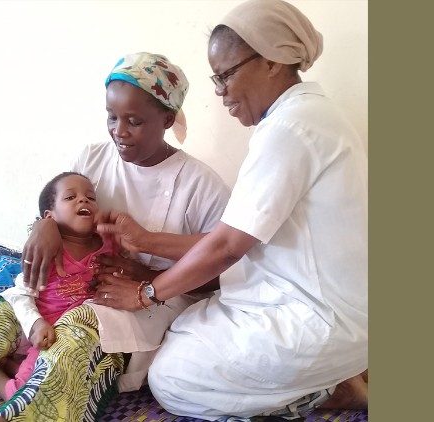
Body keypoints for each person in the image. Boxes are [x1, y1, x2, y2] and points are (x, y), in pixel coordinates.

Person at [93, 0, 368, 419]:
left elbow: (224, 246)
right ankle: (328, 377)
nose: (219, 92)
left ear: (273, 61)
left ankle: (324, 390)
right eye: (112, 118)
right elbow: (229, 238)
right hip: (277, 294)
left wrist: (146, 291)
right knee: (181, 331)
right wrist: (145, 241)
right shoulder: (299, 117)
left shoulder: (287, 129)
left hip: (313, 313)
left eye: (226, 75)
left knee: (171, 380)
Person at [0, 52, 230, 421]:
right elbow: (56, 206)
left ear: (167, 119)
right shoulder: (93, 158)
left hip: (145, 302)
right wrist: (41, 226)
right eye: (112, 117)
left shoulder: (200, 185)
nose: (118, 131)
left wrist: (145, 278)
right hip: (64, 286)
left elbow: (220, 274)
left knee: (73, 338)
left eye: (134, 121)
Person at [0, 172, 116, 401]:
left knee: (54, 381)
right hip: (44, 333)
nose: (83, 200)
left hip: (74, 334)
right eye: (70, 197)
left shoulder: (108, 245)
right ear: (49, 216)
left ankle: (13, 364)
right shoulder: (46, 250)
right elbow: (23, 291)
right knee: (24, 394)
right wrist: (37, 324)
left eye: (91, 197)